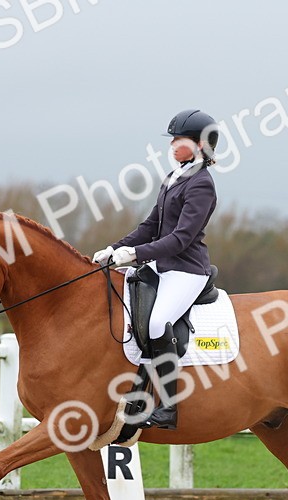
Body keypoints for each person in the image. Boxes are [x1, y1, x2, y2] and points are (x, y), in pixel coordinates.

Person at [93, 108, 219, 431]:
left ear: (199, 144)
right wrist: (115, 249)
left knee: (158, 321)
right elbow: (151, 226)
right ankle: (138, 395)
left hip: (187, 270)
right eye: (174, 138)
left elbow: (180, 239)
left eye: (179, 139)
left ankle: (168, 407)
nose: (173, 144)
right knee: (133, 318)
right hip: (162, 267)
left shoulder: (202, 184)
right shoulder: (173, 178)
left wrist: (134, 255)